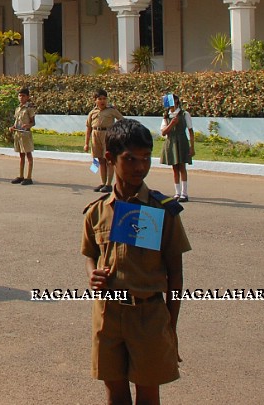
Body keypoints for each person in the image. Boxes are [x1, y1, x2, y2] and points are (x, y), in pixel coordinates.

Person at [82, 119, 190, 405]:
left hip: (148, 316)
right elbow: (90, 253)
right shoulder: (96, 212)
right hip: (108, 315)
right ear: (110, 159)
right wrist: (93, 275)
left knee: (147, 392)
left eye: (145, 158)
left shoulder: (161, 211)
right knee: (114, 391)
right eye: (130, 159)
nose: (139, 167)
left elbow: (175, 273)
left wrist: (170, 326)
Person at [85, 89, 123, 194]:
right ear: (95, 100)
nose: (102, 101)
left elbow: (122, 121)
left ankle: (108, 184)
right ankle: (103, 182)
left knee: (108, 160)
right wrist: (86, 143)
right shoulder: (92, 112)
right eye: (100, 99)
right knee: (100, 160)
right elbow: (88, 128)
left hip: (107, 135)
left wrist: (117, 134)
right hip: (95, 135)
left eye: (104, 99)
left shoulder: (111, 110)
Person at [159, 94, 194, 202]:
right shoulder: (166, 116)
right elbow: (164, 132)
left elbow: (190, 131)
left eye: (173, 100)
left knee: (182, 166)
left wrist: (192, 147)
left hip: (182, 141)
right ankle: (177, 193)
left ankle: (184, 193)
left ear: (177, 101)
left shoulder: (184, 114)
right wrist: (172, 124)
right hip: (171, 142)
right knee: (174, 168)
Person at [10, 88, 36, 186]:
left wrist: (28, 125)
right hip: (18, 133)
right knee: (21, 155)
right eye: (20, 95)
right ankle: (21, 175)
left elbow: (33, 122)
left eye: (23, 96)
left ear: (27, 97)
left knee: (28, 154)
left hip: (26, 134)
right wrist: (13, 127)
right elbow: (17, 121)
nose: (21, 97)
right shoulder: (18, 108)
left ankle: (29, 177)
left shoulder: (29, 108)